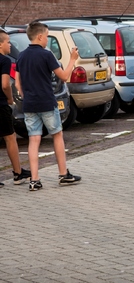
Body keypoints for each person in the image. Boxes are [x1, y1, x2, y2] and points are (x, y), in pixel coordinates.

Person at [14, 22, 81, 191]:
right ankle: (63, 174)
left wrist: (24, 94)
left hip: (29, 104)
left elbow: (17, 83)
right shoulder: (46, 55)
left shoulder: (21, 56)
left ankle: (34, 180)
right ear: (40, 36)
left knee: (33, 139)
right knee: (57, 135)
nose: (48, 40)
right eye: (47, 36)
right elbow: (64, 76)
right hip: (46, 102)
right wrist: (72, 59)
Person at [0, 31, 31, 188]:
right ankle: (18, 173)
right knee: (10, 137)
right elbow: (5, 84)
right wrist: (10, 99)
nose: (10, 45)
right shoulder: (4, 61)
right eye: (7, 42)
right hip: (0, 106)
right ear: (0, 44)